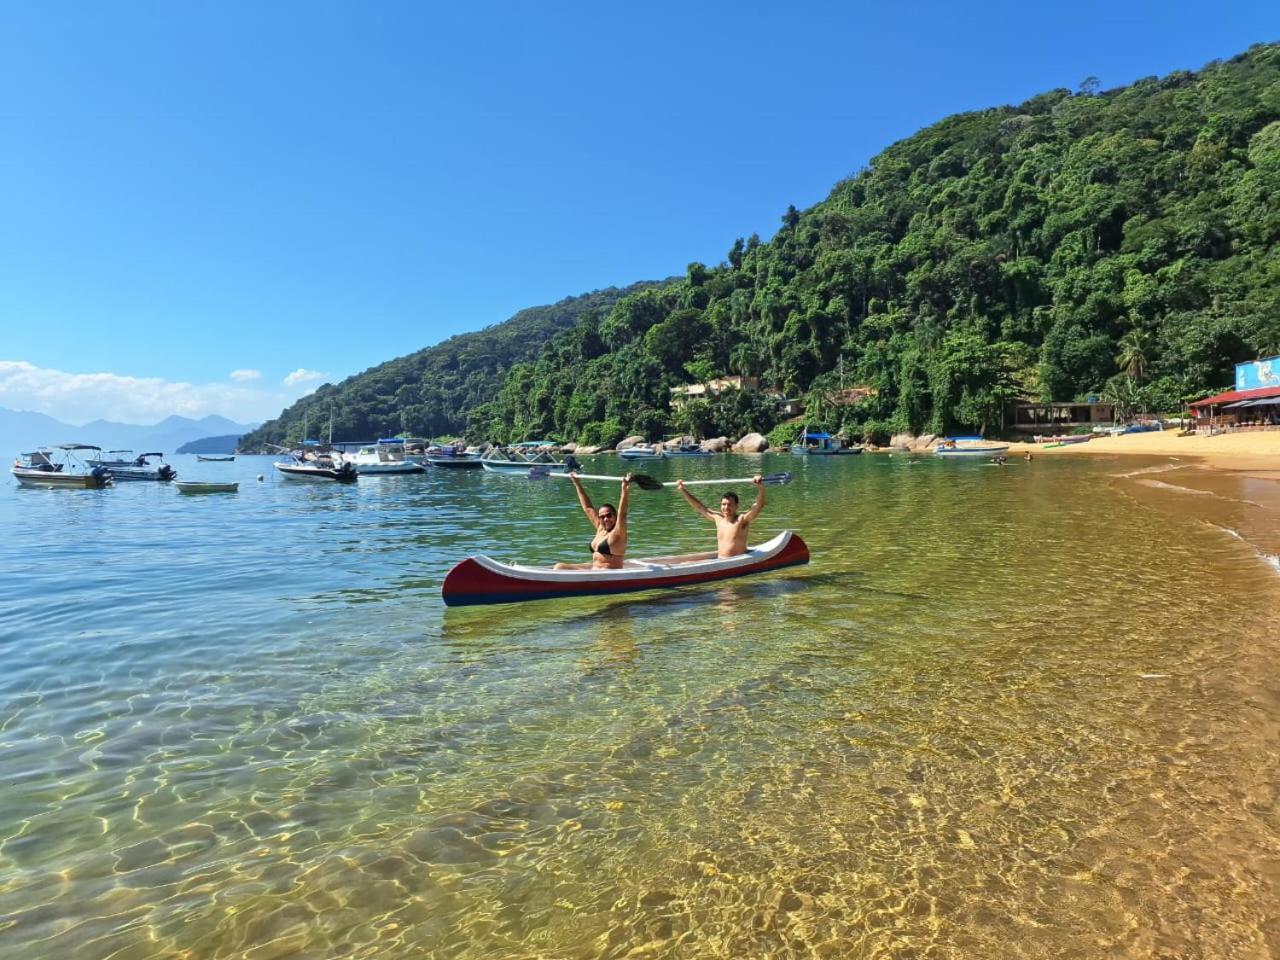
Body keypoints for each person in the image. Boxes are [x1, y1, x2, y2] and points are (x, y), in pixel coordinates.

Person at [554, 473, 631, 570]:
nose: (606, 519)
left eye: (609, 515)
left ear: (615, 516)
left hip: (608, 575)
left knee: (559, 568)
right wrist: (577, 483)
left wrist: (624, 490)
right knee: (559, 566)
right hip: (594, 570)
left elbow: (622, 514)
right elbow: (588, 508)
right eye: (602, 517)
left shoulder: (619, 533)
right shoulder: (600, 528)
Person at [675, 474, 765, 557]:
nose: (726, 507)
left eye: (729, 504)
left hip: (737, 561)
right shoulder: (718, 518)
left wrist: (760, 488)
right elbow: (699, 507)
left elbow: (758, 506)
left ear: (736, 506)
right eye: (723, 504)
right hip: (721, 560)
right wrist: (682, 490)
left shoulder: (742, 520)